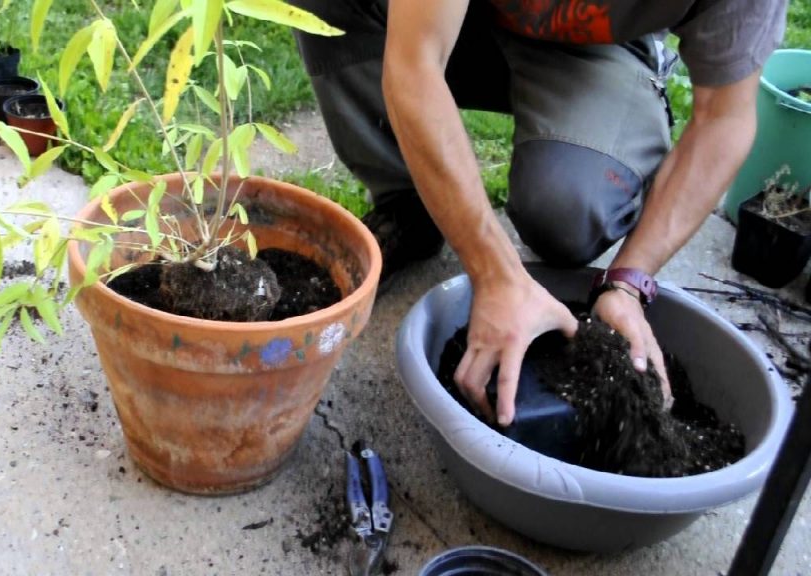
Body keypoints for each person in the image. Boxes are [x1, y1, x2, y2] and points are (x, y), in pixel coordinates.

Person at [291, 0, 788, 426]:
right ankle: (408, 204)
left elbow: (724, 116)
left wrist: (628, 282)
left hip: (602, 50)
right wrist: (495, 272)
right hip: (455, 19)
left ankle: (616, 107)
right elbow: (413, 64)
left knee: (568, 214)